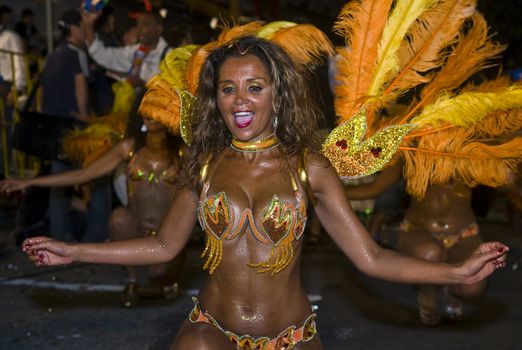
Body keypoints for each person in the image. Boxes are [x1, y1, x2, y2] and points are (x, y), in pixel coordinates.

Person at [11, 36, 509, 350]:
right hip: (212, 330)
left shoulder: (307, 169)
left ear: (278, 93)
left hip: (290, 337)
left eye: (255, 86)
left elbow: (372, 257)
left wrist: (454, 272)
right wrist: (74, 250)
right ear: (216, 99)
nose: (240, 100)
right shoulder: (203, 163)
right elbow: (162, 246)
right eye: (227, 89)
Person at [0, 111, 185, 307]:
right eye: (147, 108)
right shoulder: (129, 149)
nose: (151, 114)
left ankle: (165, 283)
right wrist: (28, 183)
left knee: (159, 276)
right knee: (119, 217)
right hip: (135, 226)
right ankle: (133, 280)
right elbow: (82, 174)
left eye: (157, 107)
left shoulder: (183, 152)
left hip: (167, 232)